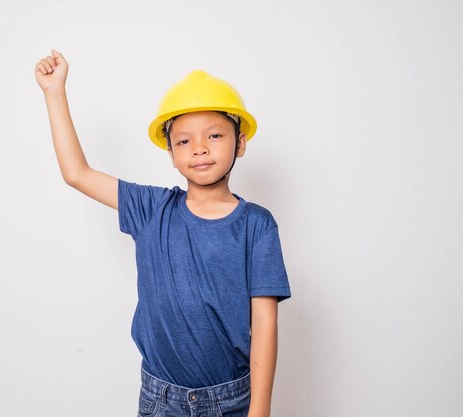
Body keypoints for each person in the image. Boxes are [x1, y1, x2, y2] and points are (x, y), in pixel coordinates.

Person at [35, 48, 292, 417]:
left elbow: (265, 321)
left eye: (215, 135)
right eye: (184, 140)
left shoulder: (256, 224)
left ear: (240, 143)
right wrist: (54, 92)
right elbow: (77, 173)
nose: (199, 148)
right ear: (170, 153)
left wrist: (260, 411)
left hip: (232, 401)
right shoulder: (151, 209)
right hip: (161, 400)